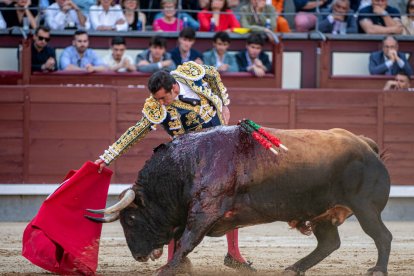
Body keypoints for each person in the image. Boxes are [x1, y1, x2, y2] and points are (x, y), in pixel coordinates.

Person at [95, 61, 255, 272]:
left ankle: (234, 254)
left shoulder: (189, 73)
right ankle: (175, 260)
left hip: (220, 151)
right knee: (175, 204)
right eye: (156, 99)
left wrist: (224, 103)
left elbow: (213, 74)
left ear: (174, 88)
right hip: (190, 158)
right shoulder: (155, 107)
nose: (160, 103)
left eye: (163, 98)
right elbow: (134, 132)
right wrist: (107, 157)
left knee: (231, 197)